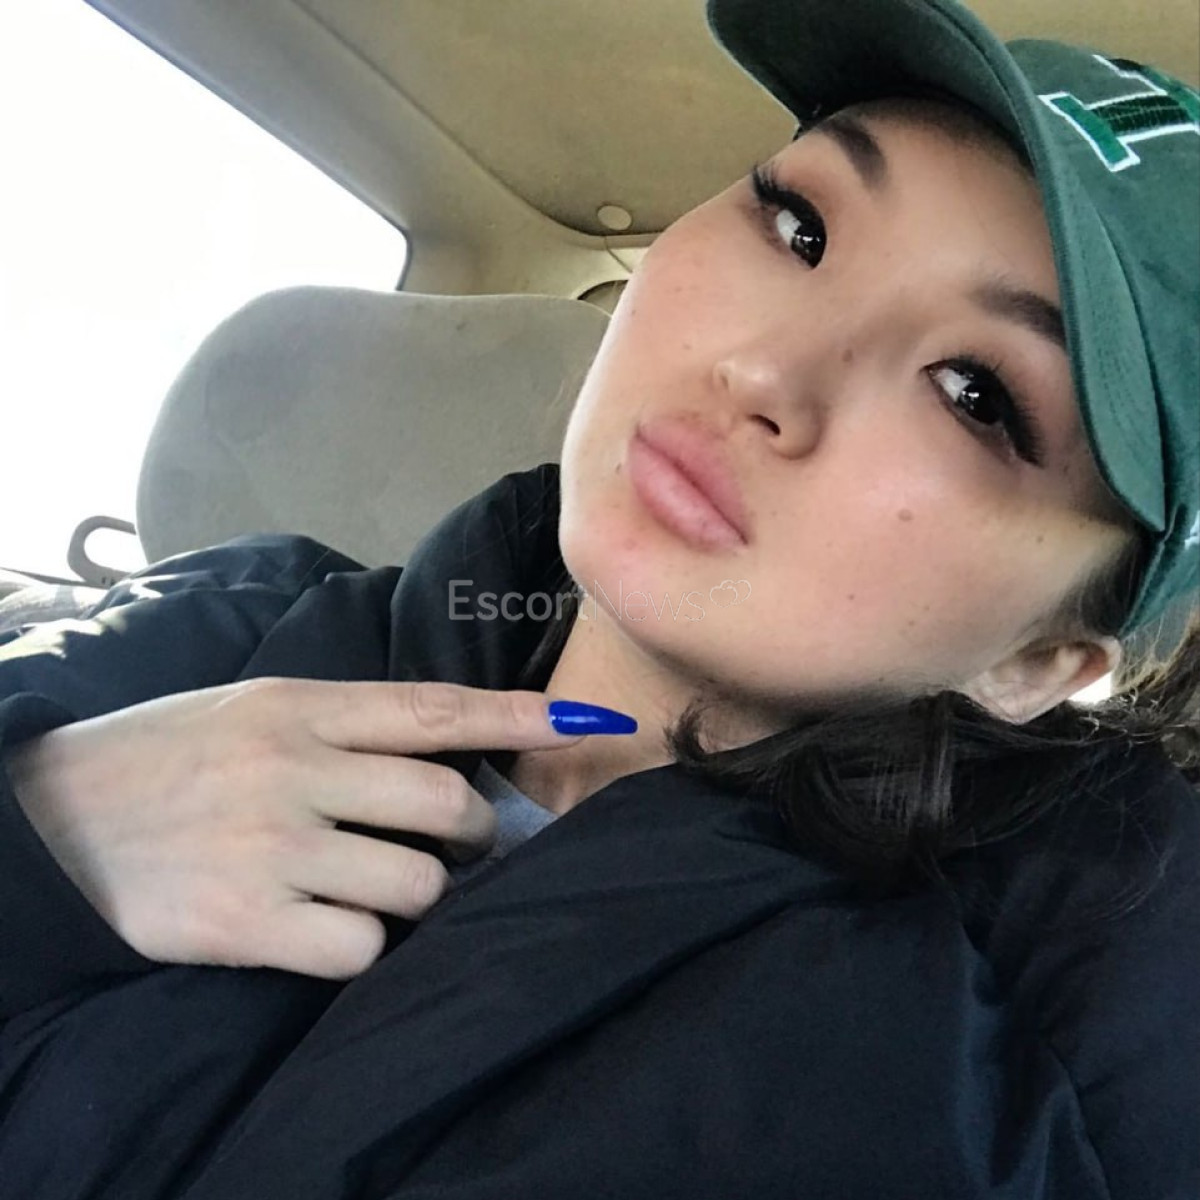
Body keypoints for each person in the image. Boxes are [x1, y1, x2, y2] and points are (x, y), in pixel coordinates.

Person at [1, 0, 1197, 1195]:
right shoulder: (230, 618)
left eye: (975, 392)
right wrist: (36, 840)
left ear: (1036, 664)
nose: (763, 371)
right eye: (800, 226)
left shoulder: (1042, 1055)